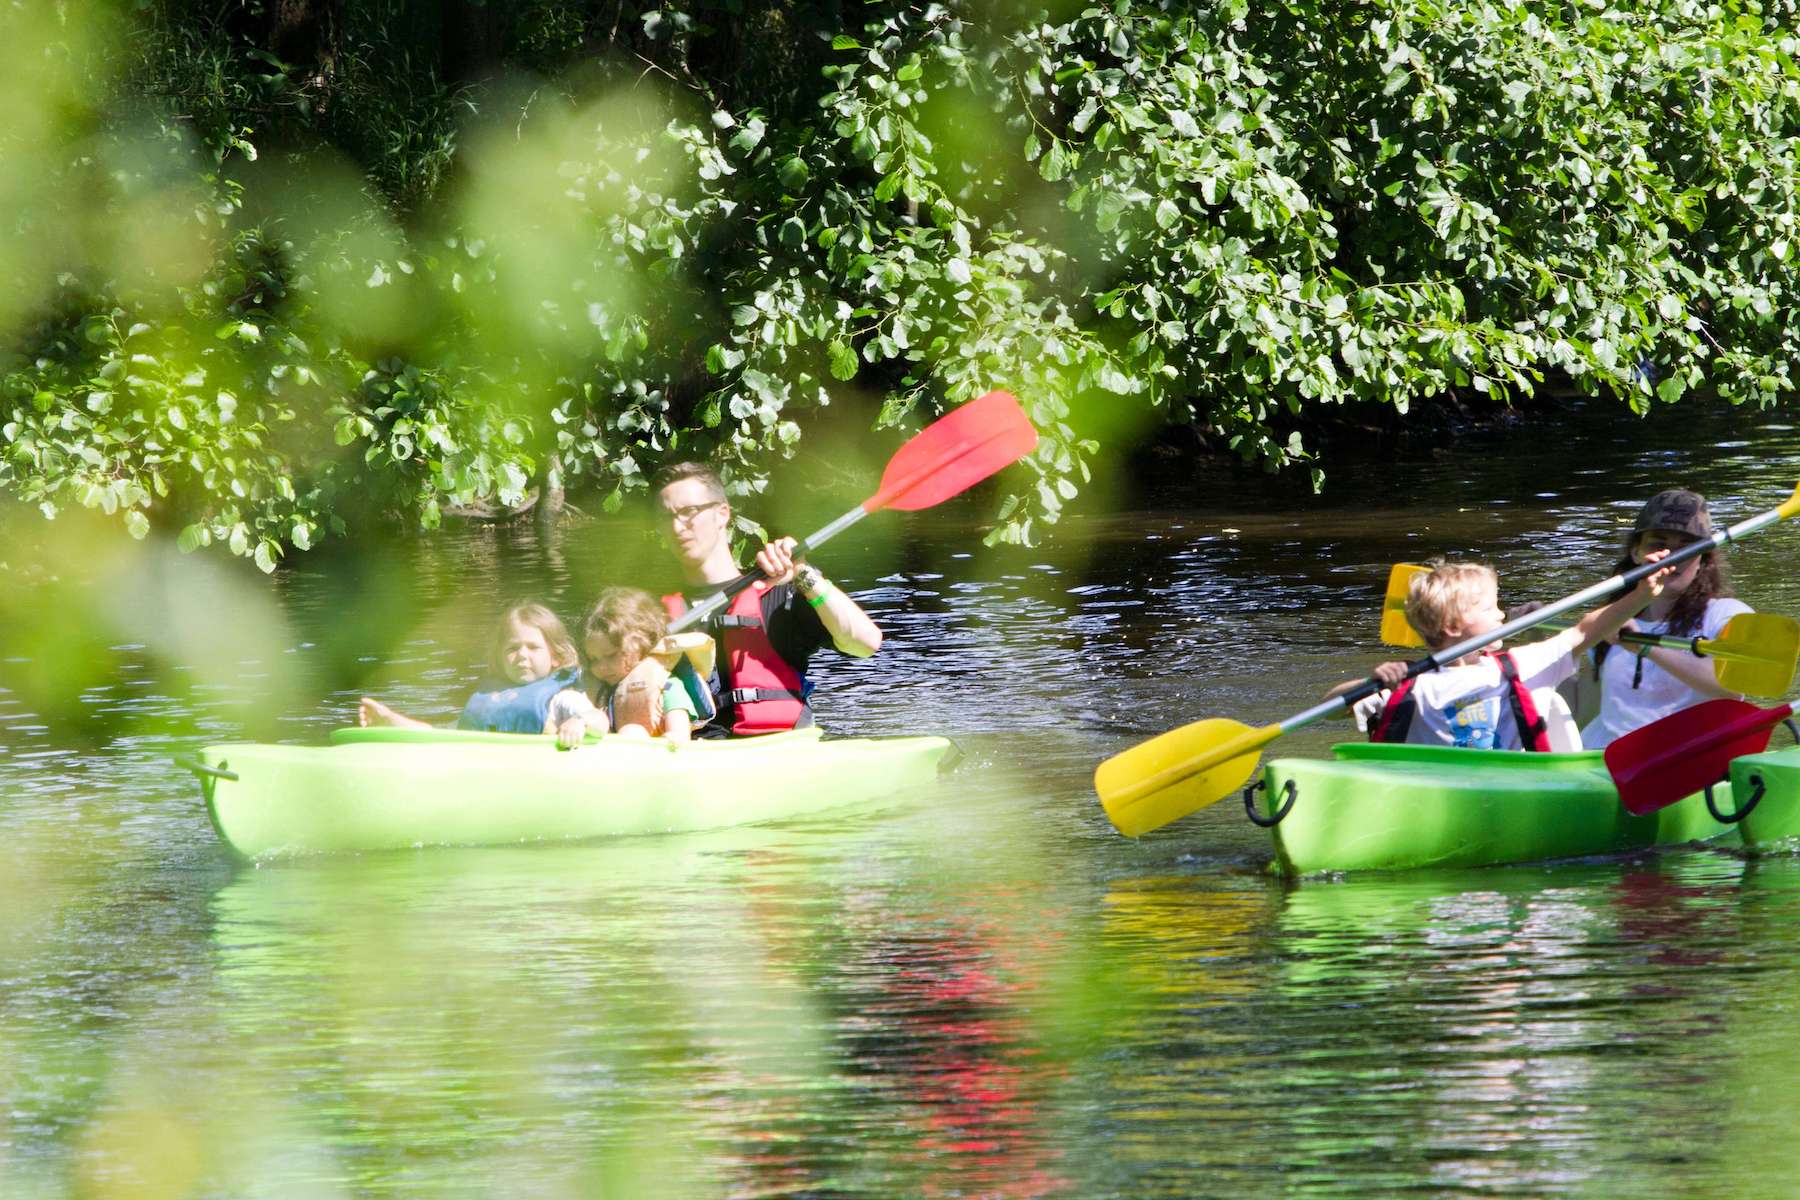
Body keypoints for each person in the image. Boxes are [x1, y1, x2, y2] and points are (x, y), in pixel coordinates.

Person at [1327, 555, 1673, 751]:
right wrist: (1372, 682)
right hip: (1437, 794)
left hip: (1509, 789)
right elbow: (1330, 710)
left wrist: (1642, 595)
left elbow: (1586, 630)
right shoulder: (1409, 685)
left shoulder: (1525, 664)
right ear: (1452, 626)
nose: (1502, 616)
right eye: (1491, 608)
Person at [653, 461, 882, 738]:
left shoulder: (777, 596)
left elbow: (866, 643)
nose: (678, 527)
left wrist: (803, 573)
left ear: (721, 514)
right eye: (667, 517)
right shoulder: (650, 613)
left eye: (689, 512)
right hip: (688, 754)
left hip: (774, 751)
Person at [1578, 488, 1751, 748]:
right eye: (1659, 544)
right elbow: (1585, 713)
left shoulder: (1727, 614)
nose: (1671, 556)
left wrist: (1645, 646)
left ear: (1702, 558)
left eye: (1686, 547)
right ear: (1636, 553)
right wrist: (1536, 637)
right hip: (1608, 762)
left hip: (1685, 761)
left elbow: (1732, 688)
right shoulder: (1608, 620)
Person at [358, 601, 582, 733]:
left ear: (555, 656)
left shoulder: (563, 699)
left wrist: (578, 723)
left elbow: (598, 721)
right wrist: (392, 720)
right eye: (512, 648)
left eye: (533, 647)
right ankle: (392, 720)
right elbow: (443, 738)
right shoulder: (489, 699)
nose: (522, 655)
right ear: (500, 657)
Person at [546, 587, 708, 746]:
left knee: (632, 731)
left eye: (610, 655)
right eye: (593, 659)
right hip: (607, 756)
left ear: (640, 644)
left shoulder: (666, 683)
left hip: (654, 754)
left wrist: (676, 736)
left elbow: (679, 724)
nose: (601, 667)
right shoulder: (600, 688)